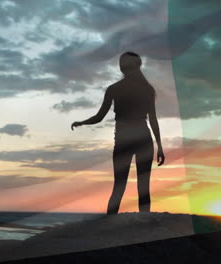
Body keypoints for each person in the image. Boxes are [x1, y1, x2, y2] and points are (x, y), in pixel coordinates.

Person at [71, 52, 165, 214]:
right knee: (143, 188)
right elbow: (153, 120)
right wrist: (160, 147)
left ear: (122, 67)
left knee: (119, 187)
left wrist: (82, 122)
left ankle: (109, 225)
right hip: (144, 139)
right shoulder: (147, 89)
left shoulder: (114, 89)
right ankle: (143, 227)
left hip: (123, 141)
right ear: (138, 66)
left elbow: (99, 117)